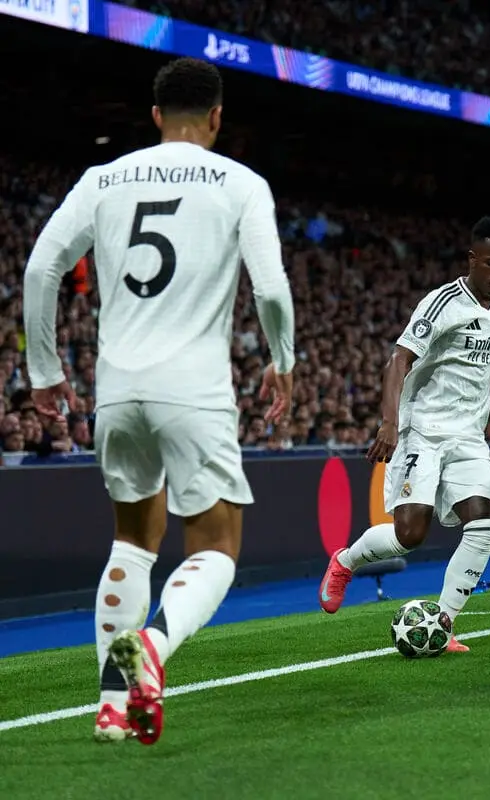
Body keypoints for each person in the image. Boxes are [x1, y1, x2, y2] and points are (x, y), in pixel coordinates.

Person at [22, 57, 295, 743]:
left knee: (132, 541)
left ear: (154, 116)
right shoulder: (240, 183)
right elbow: (269, 288)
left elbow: (42, 267)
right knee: (217, 544)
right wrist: (283, 359)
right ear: (216, 116)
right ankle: (152, 645)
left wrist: (44, 371)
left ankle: (113, 707)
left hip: (117, 390)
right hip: (193, 389)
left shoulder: (103, 179)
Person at [318, 216, 490, 651]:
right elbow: (399, 359)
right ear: (472, 259)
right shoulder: (442, 303)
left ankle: (443, 623)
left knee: (484, 522)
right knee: (409, 536)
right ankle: (346, 561)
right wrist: (389, 423)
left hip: (468, 438)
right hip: (422, 431)